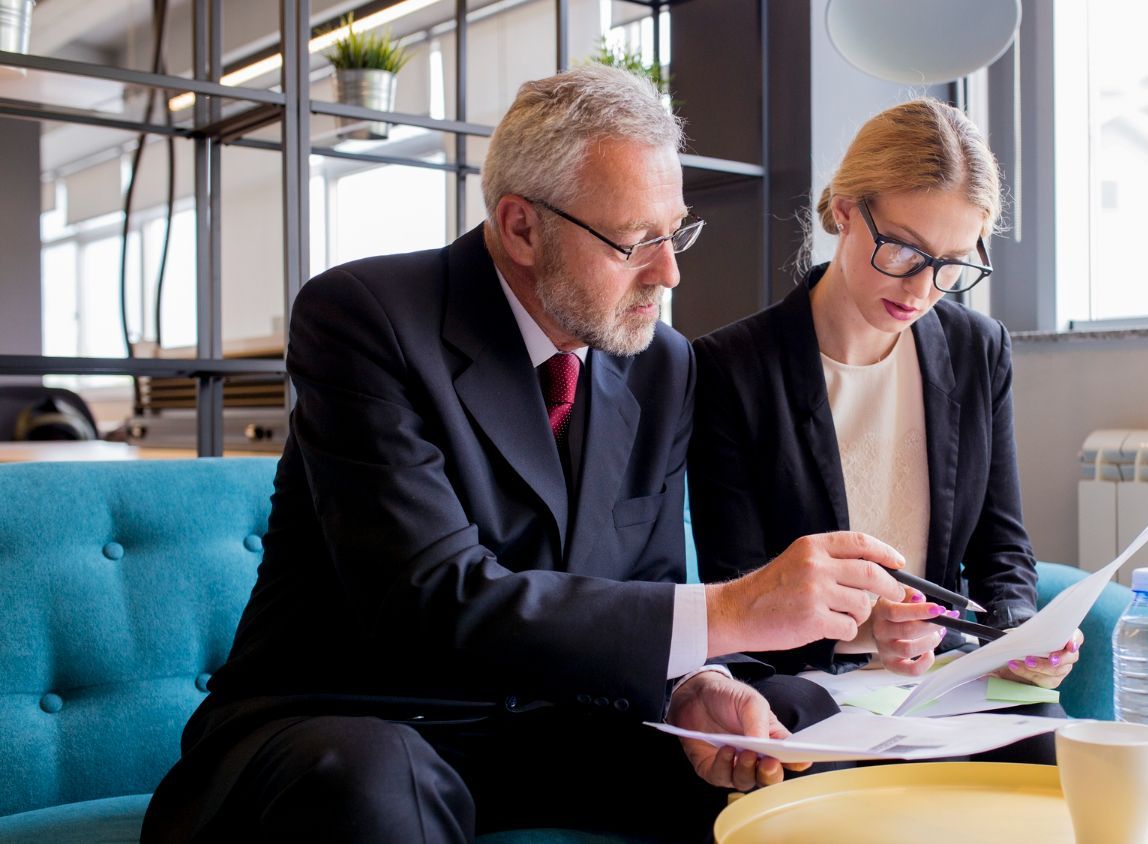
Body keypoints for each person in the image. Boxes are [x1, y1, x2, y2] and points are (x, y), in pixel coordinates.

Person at [141, 65, 907, 844]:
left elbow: (645, 585)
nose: (670, 272)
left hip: (551, 725)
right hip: (355, 719)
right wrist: (734, 610)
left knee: (802, 734)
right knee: (376, 779)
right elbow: (431, 598)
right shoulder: (364, 319)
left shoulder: (662, 363)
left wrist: (693, 687)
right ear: (520, 227)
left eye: (674, 233)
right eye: (634, 242)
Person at [689, 98, 1081, 763]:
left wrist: (1016, 638)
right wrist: (865, 627)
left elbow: (1003, 548)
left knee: (1047, 753)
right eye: (904, 249)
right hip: (806, 684)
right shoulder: (733, 368)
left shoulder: (976, 350)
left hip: (942, 680)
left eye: (953, 263)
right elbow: (741, 585)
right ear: (845, 210)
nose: (923, 289)